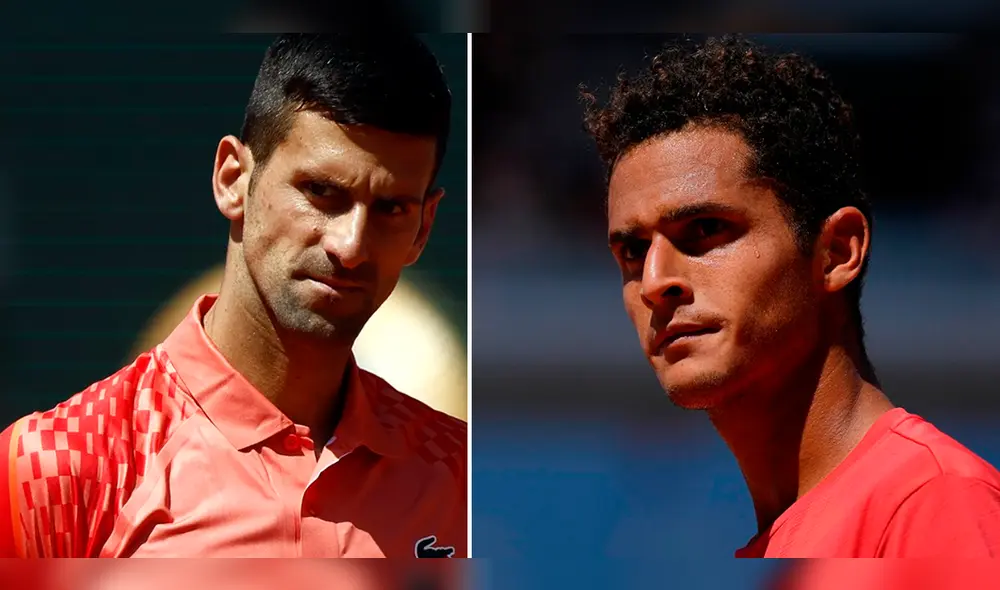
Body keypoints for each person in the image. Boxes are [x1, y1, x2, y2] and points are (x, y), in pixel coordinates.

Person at [0, 34, 466, 558]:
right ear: (232, 179)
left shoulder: (464, 479)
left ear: (424, 227)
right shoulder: (49, 468)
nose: (351, 246)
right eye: (320, 191)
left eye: (391, 209)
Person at [583, 34, 1000, 557]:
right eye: (632, 251)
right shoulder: (790, 539)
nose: (654, 281)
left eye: (706, 228)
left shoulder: (935, 505)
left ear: (837, 253)